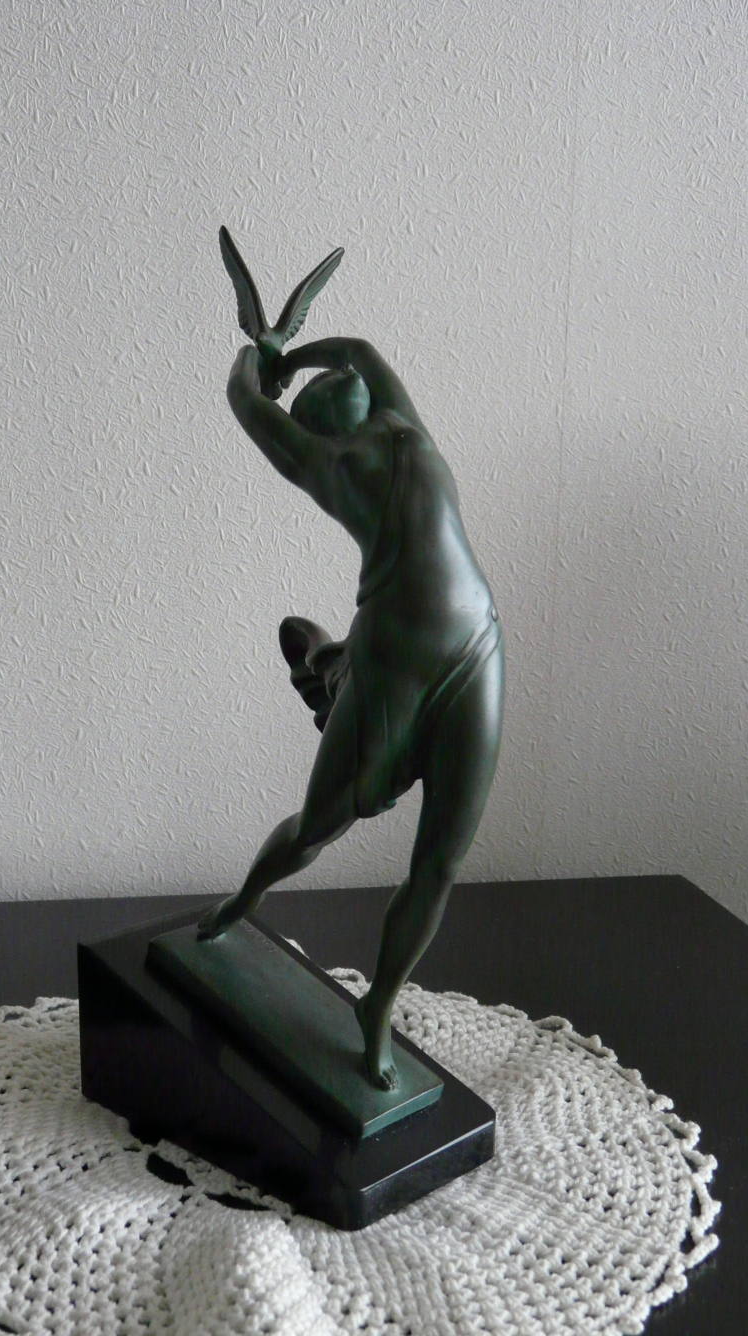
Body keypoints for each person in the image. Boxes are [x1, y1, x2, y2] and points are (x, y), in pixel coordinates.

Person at [197, 337, 504, 1090]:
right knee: (317, 829)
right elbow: (250, 398)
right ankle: (244, 899)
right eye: (329, 385)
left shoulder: (395, 425)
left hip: (476, 651)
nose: (344, 380)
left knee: (441, 861)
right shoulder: (329, 461)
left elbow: (350, 352)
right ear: (326, 417)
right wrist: (268, 361)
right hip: (397, 666)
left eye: (337, 379)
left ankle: (379, 1008)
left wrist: (278, 356)